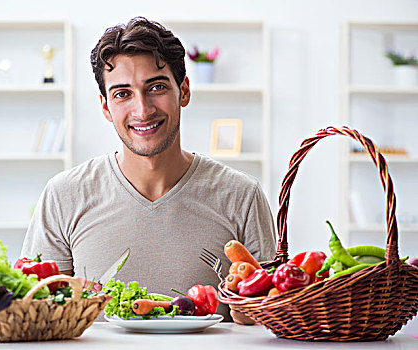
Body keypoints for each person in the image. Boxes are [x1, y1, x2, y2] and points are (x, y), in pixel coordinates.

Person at [21, 17, 277, 323]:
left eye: (155, 87)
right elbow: (38, 317)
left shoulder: (241, 195)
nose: (142, 110)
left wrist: (251, 313)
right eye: (122, 94)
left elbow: (270, 315)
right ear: (105, 107)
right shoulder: (64, 194)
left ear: (184, 91)